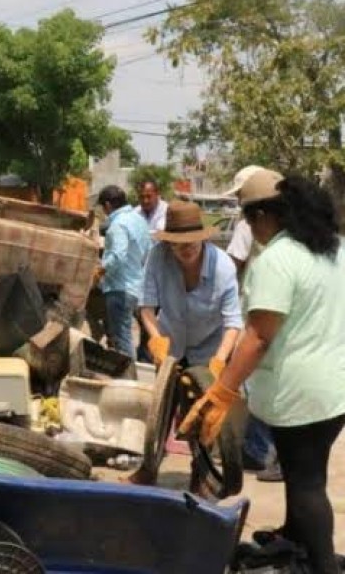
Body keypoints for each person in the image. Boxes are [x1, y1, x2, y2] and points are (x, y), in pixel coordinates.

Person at [180, 171, 345, 573]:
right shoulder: (334, 249)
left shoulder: (276, 260)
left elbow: (257, 337)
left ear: (269, 215)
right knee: (303, 472)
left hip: (299, 394)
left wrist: (222, 391)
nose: (250, 229)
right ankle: (293, 539)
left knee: (307, 485)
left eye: (251, 219)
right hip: (334, 389)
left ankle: (323, 566)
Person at [225, 165, 282, 483]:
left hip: (258, 307)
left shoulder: (249, 224)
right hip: (274, 308)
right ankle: (267, 450)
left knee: (255, 380)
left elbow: (232, 265)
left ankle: (259, 450)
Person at [139, 200, 242, 375]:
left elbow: (232, 323)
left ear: (203, 238)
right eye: (178, 243)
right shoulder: (157, 255)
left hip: (209, 352)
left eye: (192, 242)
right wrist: (157, 340)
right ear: (169, 243)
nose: (186, 249)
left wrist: (219, 361)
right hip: (170, 348)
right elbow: (147, 306)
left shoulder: (223, 267)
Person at [97, 185, 152, 357]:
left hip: (119, 288)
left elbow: (118, 256)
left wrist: (100, 271)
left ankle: (129, 378)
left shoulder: (117, 226)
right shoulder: (139, 220)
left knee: (122, 338)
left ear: (107, 205)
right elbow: (146, 251)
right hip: (136, 285)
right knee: (125, 335)